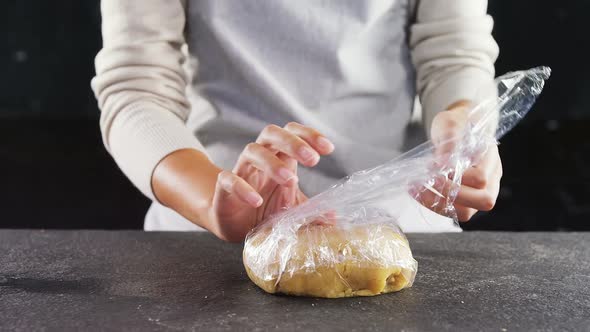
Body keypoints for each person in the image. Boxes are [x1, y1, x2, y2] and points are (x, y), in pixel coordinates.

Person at [92, 0, 501, 241]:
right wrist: (213, 202)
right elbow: (137, 86)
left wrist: (466, 130)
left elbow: (454, 54)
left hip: (396, 229)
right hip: (207, 236)